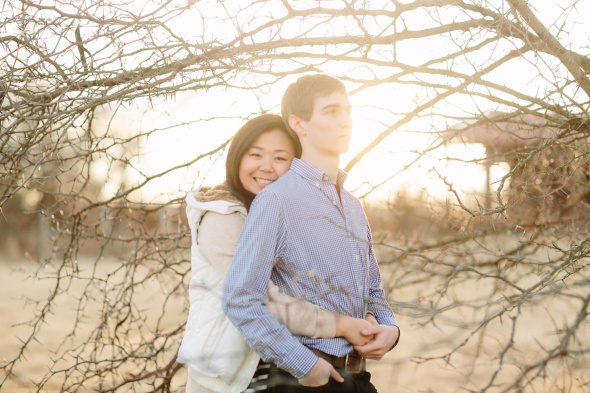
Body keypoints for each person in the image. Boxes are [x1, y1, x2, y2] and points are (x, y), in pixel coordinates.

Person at [222, 74, 401, 392]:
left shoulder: (353, 205)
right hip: (307, 382)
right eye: (331, 111)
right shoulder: (277, 200)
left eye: (347, 111)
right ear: (299, 124)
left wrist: (390, 329)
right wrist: (302, 364)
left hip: (359, 380)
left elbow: (373, 291)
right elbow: (241, 298)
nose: (345, 121)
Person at [177, 114, 375, 393]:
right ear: (236, 158)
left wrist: (370, 320)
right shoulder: (223, 215)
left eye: (280, 158)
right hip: (228, 377)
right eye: (255, 154)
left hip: (277, 369)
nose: (266, 167)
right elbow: (262, 299)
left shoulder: (287, 216)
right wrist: (343, 326)